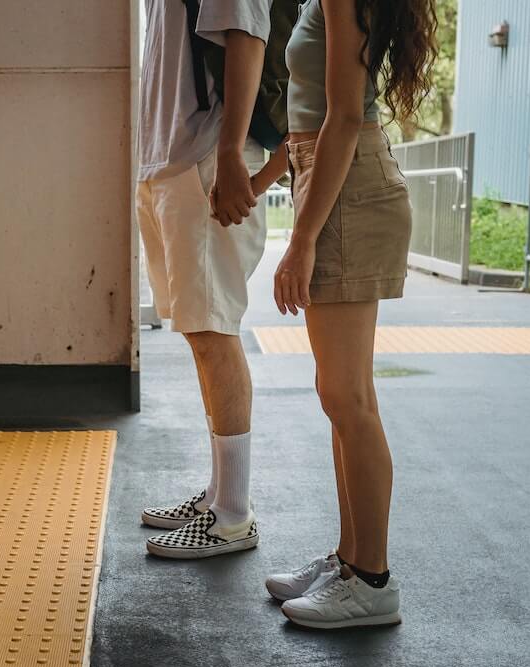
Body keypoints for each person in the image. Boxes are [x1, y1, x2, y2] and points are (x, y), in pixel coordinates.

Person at [257, 0, 438, 628]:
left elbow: (342, 114)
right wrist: (267, 176)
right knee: (339, 394)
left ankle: (372, 581)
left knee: (348, 396)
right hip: (334, 178)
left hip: (348, 191)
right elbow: (314, 116)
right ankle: (349, 560)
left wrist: (300, 239)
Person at [139, 0, 273, 560]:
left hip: (205, 157)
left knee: (215, 330)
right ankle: (219, 495)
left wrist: (228, 155)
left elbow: (247, 35)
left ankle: (233, 518)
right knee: (200, 332)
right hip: (167, 163)